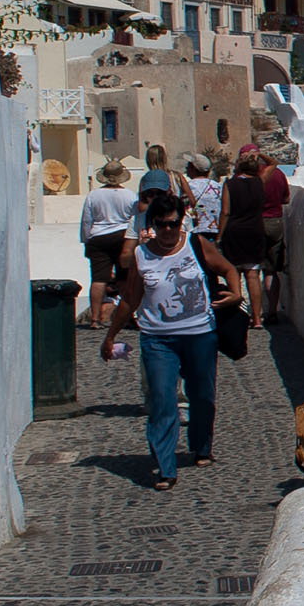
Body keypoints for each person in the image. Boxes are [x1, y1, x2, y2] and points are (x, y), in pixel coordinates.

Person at [100, 187, 244, 489]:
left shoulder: (196, 244)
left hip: (199, 335)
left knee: (202, 395)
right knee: (163, 399)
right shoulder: (141, 255)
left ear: (182, 222)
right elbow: (130, 298)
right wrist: (111, 335)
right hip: (157, 340)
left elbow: (228, 268)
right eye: (162, 224)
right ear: (151, 225)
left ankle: (202, 446)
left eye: (174, 223)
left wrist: (235, 295)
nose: (168, 230)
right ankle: (166, 466)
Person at [77, 158, 138, 325]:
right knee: (124, 279)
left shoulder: (93, 195)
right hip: (123, 237)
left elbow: (86, 221)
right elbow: (134, 219)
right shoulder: (130, 195)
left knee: (98, 279)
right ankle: (130, 315)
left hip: (98, 237)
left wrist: (86, 240)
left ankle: (95, 319)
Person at [218, 150, 271, 328]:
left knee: (234, 275)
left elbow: (225, 211)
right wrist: (259, 153)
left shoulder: (230, 184)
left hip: (234, 232)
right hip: (255, 230)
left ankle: (239, 317)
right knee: (253, 275)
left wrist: (219, 235)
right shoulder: (259, 181)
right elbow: (273, 164)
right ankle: (257, 319)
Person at [253, 146, 293, 318]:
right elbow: (286, 198)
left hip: (254, 223)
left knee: (252, 271)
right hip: (275, 222)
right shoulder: (278, 174)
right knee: (271, 270)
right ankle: (272, 311)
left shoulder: (249, 178)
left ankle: (256, 313)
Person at [185, 153, 225, 237]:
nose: (186, 168)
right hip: (216, 230)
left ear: (193, 168)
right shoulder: (218, 186)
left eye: (188, 165)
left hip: (195, 230)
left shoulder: (189, 187)